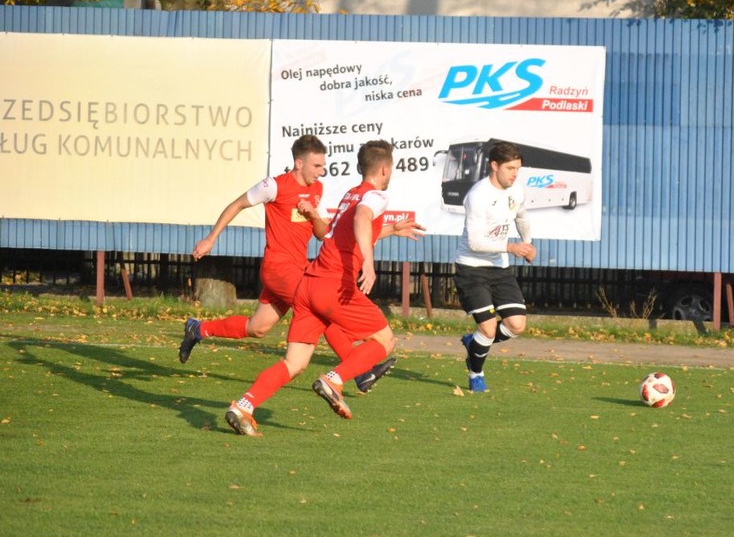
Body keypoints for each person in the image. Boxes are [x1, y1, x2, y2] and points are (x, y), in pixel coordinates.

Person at [225, 140, 425, 435]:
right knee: (385, 340)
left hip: (309, 284)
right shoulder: (376, 197)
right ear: (384, 168)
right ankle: (335, 379)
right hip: (333, 285)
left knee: (294, 362)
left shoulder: (351, 195)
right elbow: (362, 219)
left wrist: (391, 230)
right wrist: (368, 263)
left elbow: (346, 232)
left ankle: (244, 405)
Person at [179, 134, 395, 394]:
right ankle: (360, 372)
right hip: (278, 269)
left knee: (257, 328)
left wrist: (314, 215)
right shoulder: (274, 186)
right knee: (321, 309)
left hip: (299, 269)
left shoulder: (317, 190)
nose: (322, 171)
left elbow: (323, 233)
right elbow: (237, 204)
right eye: (316, 166)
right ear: (298, 163)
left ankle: (198, 328)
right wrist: (211, 238)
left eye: (323, 165)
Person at [455, 140, 537, 393]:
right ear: (494, 165)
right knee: (489, 328)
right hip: (471, 268)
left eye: (517, 169)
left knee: (517, 325)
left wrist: (527, 243)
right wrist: (511, 248)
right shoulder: (478, 196)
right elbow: (475, 242)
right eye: (510, 168)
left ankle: (475, 343)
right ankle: (476, 373)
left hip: (499, 269)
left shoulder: (516, 190)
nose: (514, 174)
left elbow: (522, 216)